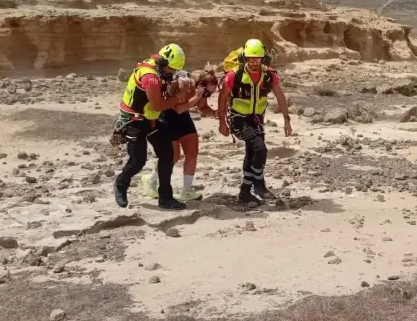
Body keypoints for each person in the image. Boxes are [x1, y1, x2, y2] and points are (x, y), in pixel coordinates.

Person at [112, 42, 188, 210]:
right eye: (171, 70)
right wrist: (178, 99)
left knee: (167, 154)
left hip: (150, 119)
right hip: (135, 121)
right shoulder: (150, 77)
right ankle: (120, 183)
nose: (173, 73)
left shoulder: (158, 70)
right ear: (162, 64)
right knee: (138, 161)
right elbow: (157, 105)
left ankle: (165, 197)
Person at [217, 39, 292, 204]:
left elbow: (280, 96)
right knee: (260, 150)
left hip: (257, 119)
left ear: (263, 58)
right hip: (238, 119)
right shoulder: (234, 75)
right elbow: (222, 98)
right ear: (245, 57)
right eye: (250, 58)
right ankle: (248, 190)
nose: (254, 61)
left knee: (252, 152)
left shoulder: (269, 75)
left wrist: (287, 120)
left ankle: (257, 186)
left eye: (257, 58)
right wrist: (222, 122)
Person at [142, 67, 220, 202]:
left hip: (183, 118)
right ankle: (151, 180)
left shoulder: (200, 92)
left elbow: (202, 106)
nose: (207, 95)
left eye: (210, 94)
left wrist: (213, 113)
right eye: (207, 92)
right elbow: (178, 108)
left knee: (192, 153)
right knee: (173, 156)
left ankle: (187, 190)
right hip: (167, 117)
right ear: (199, 85)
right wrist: (196, 97)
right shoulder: (182, 83)